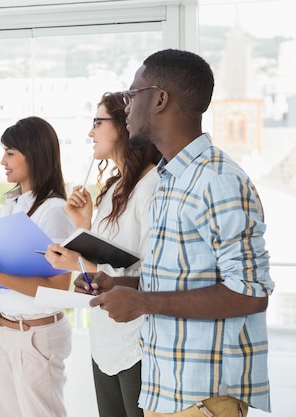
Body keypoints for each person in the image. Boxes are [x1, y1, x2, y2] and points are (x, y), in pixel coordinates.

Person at [82, 49, 274, 417]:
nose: (125, 107)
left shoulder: (217, 180)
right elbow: (183, 281)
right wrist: (123, 287)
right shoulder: (172, 179)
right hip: (165, 392)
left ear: (159, 99)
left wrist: (143, 303)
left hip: (200, 400)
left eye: (131, 95)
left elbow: (252, 294)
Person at [45, 91, 161, 417]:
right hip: (105, 340)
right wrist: (84, 225)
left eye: (97, 122)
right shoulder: (111, 189)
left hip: (137, 343)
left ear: (125, 126)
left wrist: (80, 262)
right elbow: (112, 258)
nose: (90, 132)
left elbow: (155, 274)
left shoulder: (151, 186)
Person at [0, 116, 75, 417]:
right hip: (3, 329)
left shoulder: (54, 212)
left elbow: (59, 287)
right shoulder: (12, 204)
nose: (2, 161)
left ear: (33, 155)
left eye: (10, 153)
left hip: (33, 335)